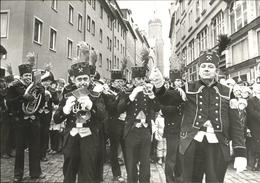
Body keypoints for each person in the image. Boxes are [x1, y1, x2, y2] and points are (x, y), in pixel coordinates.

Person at [151, 50, 247, 182]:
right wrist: (159, 84)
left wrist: (240, 152)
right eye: (203, 66)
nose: (206, 69)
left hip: (217, 145)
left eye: (210, 66)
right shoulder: (188, 88)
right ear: (199, 70)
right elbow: (168, 98)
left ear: (216, 71)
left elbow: (236, 125)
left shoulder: (227, 92)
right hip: (192, 143)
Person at [53, 59, 106, 183]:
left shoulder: (96, 94)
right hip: (71, 136)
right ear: (73, 79)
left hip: (89, 137)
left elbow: (103, 116)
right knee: (69, 170)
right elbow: (56, 118)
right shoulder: (67, 93)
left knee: (87, 171)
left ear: (89, 79)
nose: (83, 83)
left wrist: (92, 106)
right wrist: (65, 110)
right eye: (79, 79)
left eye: (85, 79)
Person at [117, 66, 159, 183]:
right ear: (133, 80)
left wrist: (152, 96)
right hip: (131, 130)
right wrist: (132, 95)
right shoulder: (126, 92)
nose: (140, 81)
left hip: (145, 130)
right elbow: (119, 109)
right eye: (137, 79)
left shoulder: (149, 91)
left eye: (142, 78)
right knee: (131, 162)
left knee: (145, 162)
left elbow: (157, 108)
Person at [6, 62, 45, 182]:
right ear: (21, 76)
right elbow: (9, 103)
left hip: (33, 120)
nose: (28, 77)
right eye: (26, 75)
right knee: (19, 149)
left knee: (35, 148)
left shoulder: (36, 87)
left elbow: (41, 103)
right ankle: (18, 174)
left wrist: (42, 93)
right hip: (20, 121)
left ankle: (36, 173)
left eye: (29, 75)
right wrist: (23, 97)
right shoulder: (14, 87)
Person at [104, 69, 127, 182]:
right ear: (112, 83)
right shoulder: (107, 93)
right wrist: (121, 97)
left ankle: (131, 171)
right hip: (113, 124)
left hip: (125, 124)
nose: (120, 84)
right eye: (117, 82)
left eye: (121, 81)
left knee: (127, 149)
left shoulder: (124, 92)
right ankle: (116, 174)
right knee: (114, 150)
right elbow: (112, 108)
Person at [161, 69, 183, 183]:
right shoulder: (167, 92)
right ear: (172, 82)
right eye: (177, 81)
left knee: (180, 156)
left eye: (180, 80)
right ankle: (169, 180)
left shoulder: (183, 92)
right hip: (172, 129)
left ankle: (179, 179)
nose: (179, 83)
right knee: (171, 157)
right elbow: (164, 110)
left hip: (182, 128)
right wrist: (178, 107)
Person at [246, 79, 260, 171]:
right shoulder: (251, 100)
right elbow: (251, 112)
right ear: (254, 90)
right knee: (255, 145)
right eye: (258, 89)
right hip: (255, 126)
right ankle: (255, 163)